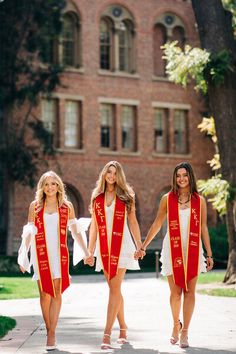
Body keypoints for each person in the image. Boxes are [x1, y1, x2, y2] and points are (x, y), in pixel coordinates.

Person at [135, 162, 214, 348]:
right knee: (175, 293)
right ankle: (175, 324)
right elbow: (157, 224)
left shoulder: (199, 200)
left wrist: (209, 255)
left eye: (185, 175)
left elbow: (203, 227)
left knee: (190, 292)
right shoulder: (167, 199)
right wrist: (143, 246)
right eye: (178, 175)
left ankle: (185, 331)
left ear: (190, 177)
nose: (181, 179)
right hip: (172, 248)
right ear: (174, 178)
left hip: (193, 249)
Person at [17, 171, 93, 351]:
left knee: (57, 292)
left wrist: (87, 252)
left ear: (59, 186)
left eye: (53, 184)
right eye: (46, 184)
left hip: (59, 255)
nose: (50, 187)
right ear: (42, 187)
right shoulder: (35, 206)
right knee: (44, 293)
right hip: (40, 253)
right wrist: (23, 256)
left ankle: (51, 334)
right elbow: (29, 233)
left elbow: (75, 232)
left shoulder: (67, 206)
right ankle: (50, 329)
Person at [87, 161, 142, 349]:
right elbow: (94, 226)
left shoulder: (127, 196)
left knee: (113, 289)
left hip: (122, 245)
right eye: (108, 172)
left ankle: (106, 334)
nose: (111, 176)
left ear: (119, 176)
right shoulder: (97, 197)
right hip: (104, 247)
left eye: (114, 173)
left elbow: (133, 222)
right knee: (114, 289)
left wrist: (140, 245)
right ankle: (124, 328)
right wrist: (90, 249)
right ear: (104, 174)